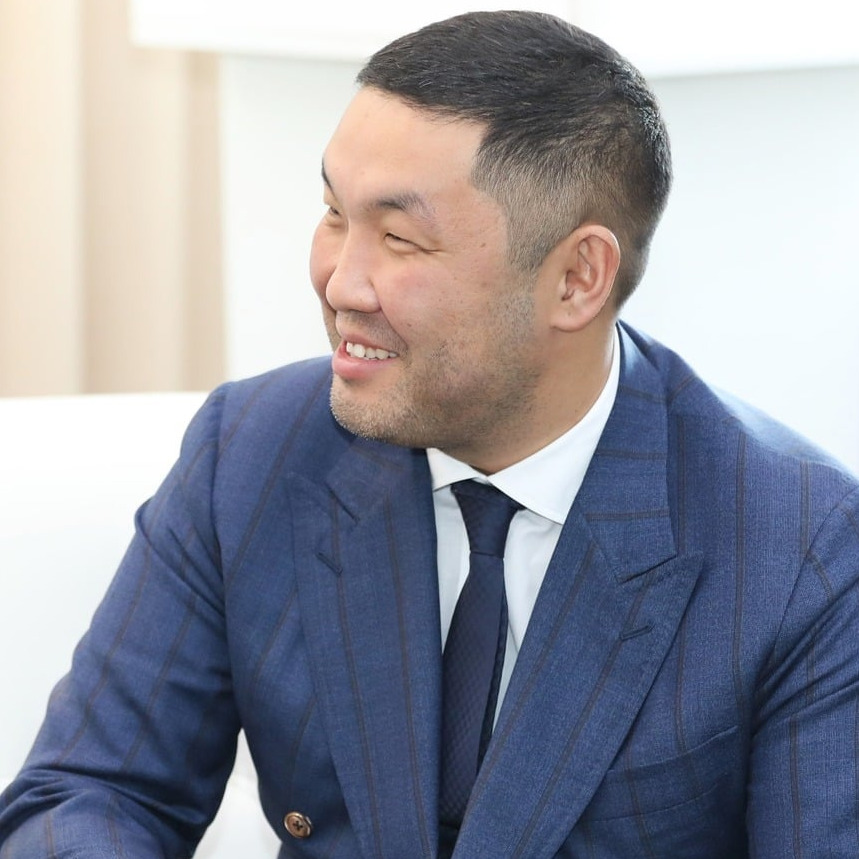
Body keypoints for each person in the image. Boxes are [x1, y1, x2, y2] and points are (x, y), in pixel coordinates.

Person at [2, 9, 858, 857]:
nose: (340, 282)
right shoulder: (252, 449)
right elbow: (91, 790)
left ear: (576, 278)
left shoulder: (801, 549)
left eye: (400, 239)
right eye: (333, 213)